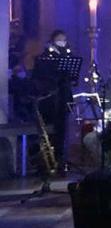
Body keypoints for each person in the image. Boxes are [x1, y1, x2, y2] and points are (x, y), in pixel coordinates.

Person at [33, 30, 75, 164]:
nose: (62, 42)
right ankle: (49, 161)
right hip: (50, 99)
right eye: (59, 39)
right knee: (50, 130)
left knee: (63, 129)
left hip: (63, 97)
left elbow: (72, 77)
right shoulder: (45, 57)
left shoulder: (68, 57)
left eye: (64, 39)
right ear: (52, 41)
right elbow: (39, 77)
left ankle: (61, 158)